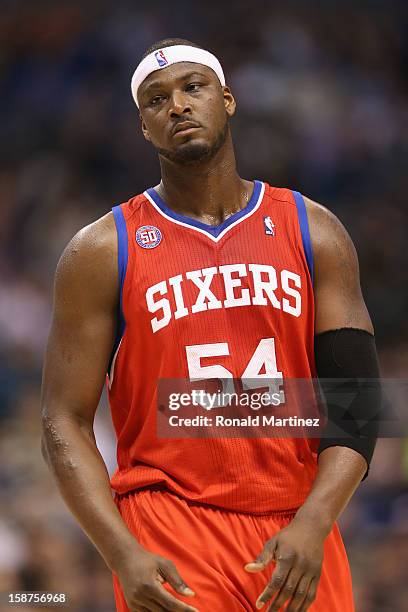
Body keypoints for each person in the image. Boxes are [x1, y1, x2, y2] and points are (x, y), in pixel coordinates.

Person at [41, 38, 380, 611]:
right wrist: (120, 551)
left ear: (227, 100)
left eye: (192, 88)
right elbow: (62, 420)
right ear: (143, 128)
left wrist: (318, 518)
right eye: (155, 100)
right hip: (171, 525)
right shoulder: (101, 249)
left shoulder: (312, 229)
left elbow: (359, 401)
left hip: (295, 526)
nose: (176, 106)